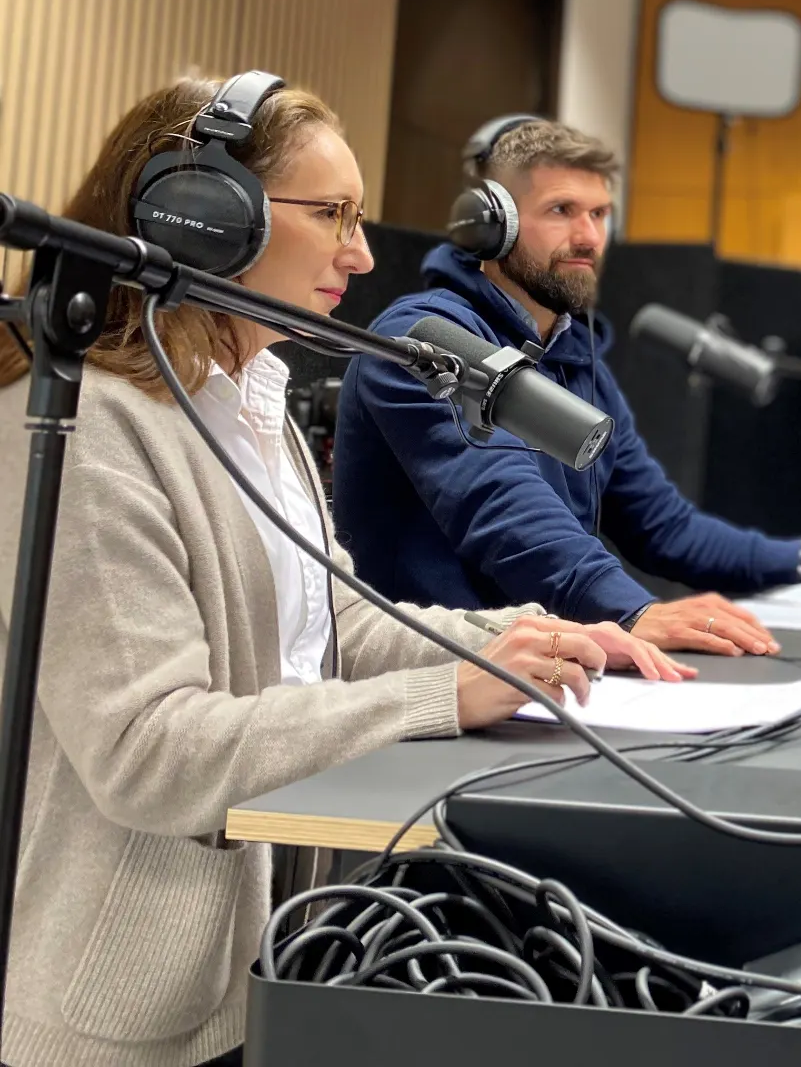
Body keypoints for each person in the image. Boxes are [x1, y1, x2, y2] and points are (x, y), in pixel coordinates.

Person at [0, 78, 677, 1067]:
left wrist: (516, 641)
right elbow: (148, 749)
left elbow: (332, 625)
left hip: (277, 962)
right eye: (333, 216)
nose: (360, 255)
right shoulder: (96, 428)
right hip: (132, 1016)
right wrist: (440, 695)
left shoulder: (249, 400)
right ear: (204, 217)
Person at [330, 118, 801, 659]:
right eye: (562, 210)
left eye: (601, 214)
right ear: (488, 226)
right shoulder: (425, 343)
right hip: (434, 670)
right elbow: (501, 502)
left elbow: (663, 526)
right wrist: (632, 610)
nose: (589, 237)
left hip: (546, 665)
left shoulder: (578, 363)